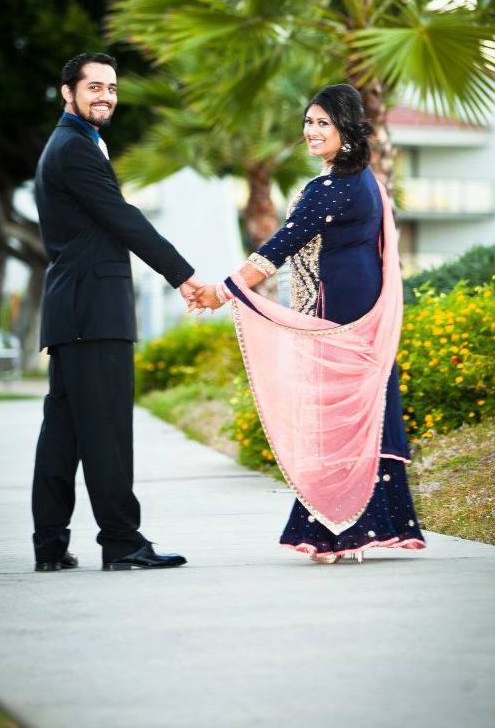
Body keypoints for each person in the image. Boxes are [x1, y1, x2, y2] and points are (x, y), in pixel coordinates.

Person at [189, 84, 426, 563]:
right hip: (360, 306)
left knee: (334, 416)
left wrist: (221, 292)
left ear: (347, 129)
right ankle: (366, 527)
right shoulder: (365, 182)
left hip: (340, 312)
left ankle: (339, 533)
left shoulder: (332, 189)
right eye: (309, 122)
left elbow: (277, 248)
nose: (312, 131)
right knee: (361, 410)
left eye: (323, 123)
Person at [32, 52, 203, 572]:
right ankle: (123, 543)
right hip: (93, 312)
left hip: (74, 312)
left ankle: (50, 546)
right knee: (106, 431)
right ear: (68, 92)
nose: (105, 96)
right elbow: (123, 219)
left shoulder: (71, 144)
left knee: (63, 436)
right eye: (94, 87)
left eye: (111, 88)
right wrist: (184, 275)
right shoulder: (74, 149)